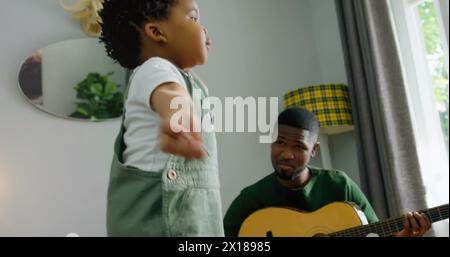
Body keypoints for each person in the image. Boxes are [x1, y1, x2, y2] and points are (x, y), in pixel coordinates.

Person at [99, 0, 223, 236]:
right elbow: (168, 93)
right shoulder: (155, 69)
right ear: (157, 32)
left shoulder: (190, 81)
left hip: (196, 217)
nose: (204, 29)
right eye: (193, 18)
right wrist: (180, 113)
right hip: (157, 219)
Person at [224, 107, 431, 237]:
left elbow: (375, 233)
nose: (286, 154)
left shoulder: (339, 185)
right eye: (280, 142)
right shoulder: (252, 198)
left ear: (314, 150)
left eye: (299, 147)